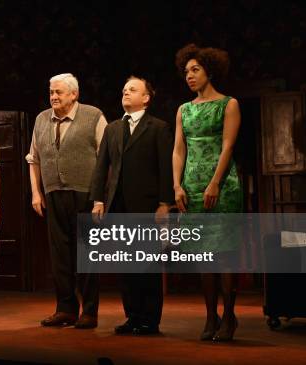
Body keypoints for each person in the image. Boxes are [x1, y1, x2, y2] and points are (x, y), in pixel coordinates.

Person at [90, 76, 173, 335]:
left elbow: (165, 168)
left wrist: (164, 204)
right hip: (118, 205)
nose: (126, 92)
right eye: (124, 89)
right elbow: (102, 166)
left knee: (147, 265)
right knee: (126, 265)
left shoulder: (158, 127)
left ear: (146, 98)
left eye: (133, 89)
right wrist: (98, 200)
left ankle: (150, 319)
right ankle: (133, 316)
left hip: (147, 206)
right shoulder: (112, 128)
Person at [173, 44, 243, 341]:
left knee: (224, 254)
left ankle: (229, 316)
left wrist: (215, 182)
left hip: (222, 185)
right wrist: (177, 185)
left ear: (209, 71)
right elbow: (179, 149)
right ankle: (210, 317)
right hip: (191, 186)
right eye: (186, 71)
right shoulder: (184, 109)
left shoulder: (228, 104)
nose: (189, 76)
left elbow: (227, 145)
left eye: (195, 70)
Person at [27, 73, 106, 329]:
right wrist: (36, 193)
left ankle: (90, 311)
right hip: (53, 194)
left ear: (74, 94)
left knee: (87, 254)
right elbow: (34, 159)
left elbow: (105, 158)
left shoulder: (93, 115)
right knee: (60, 255)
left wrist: (99, 197)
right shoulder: (41, 119)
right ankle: (65, 309)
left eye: (59, 92)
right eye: (51, 92)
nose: (53, 97)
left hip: (85, 193)